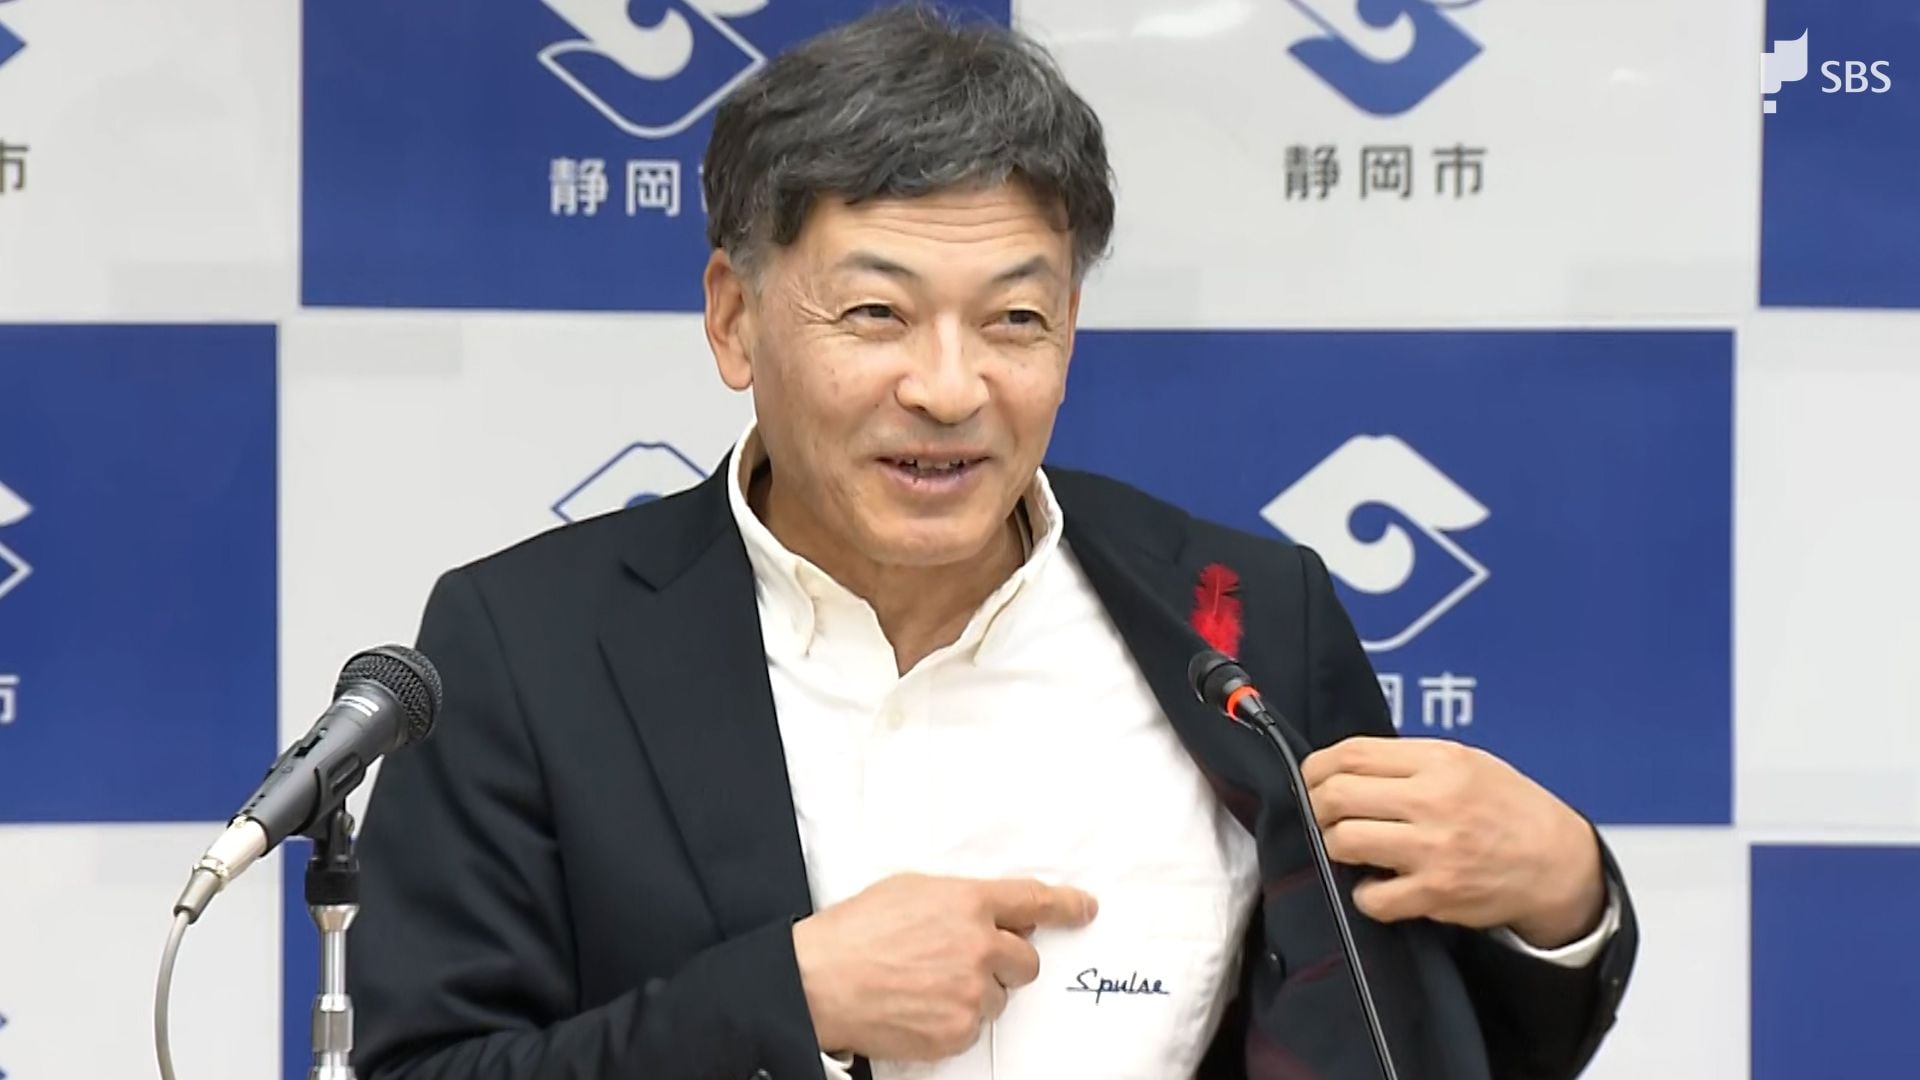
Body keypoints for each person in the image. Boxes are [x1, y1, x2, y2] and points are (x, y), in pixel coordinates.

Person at [346, 6, 1637, 1079]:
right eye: (877, 314)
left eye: (1015, 320)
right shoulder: (526, 649)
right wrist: (789, 1003)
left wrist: (1560, 896)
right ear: (735, 319)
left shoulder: (1245, 621)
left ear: (1070, 326)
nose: (951, 388)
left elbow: (1407, 1033)